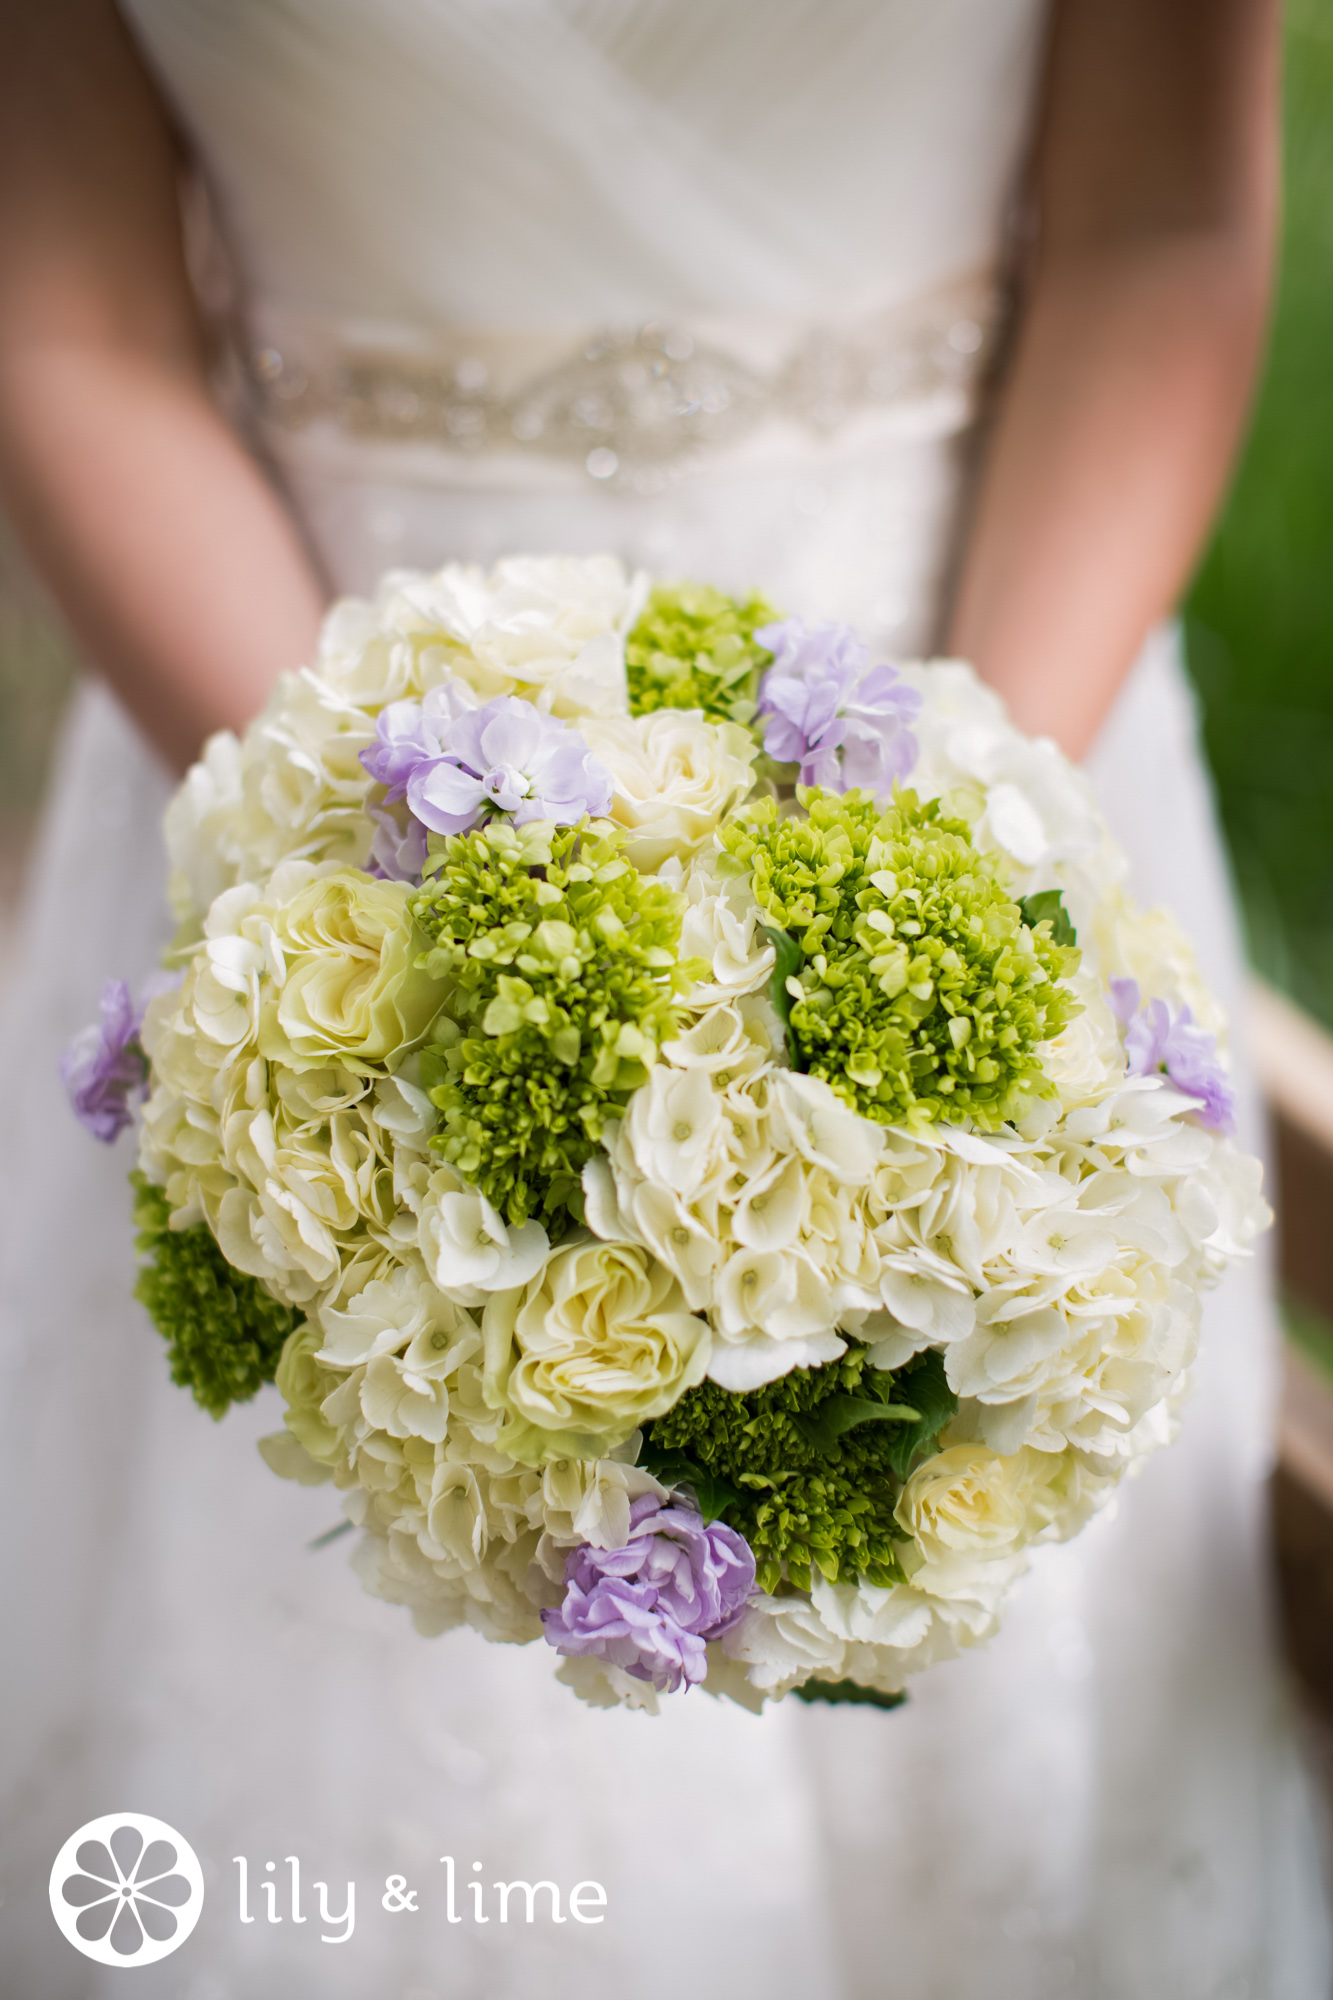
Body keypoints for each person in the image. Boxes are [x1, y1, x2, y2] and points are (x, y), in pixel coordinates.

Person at [0, 2, 1327, 1995]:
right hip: (311, 752)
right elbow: (70, 314)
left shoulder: (974, 834)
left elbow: (1158, 223)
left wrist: (939, 880)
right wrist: (365, 913)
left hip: (991, 697)